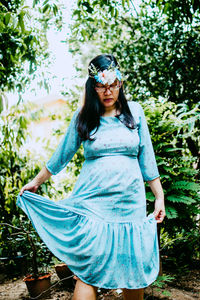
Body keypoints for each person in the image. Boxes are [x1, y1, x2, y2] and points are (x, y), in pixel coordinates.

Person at [18, 54, 165, 300]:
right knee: (89, 270)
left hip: (131, 205)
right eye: (101, 86)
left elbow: (147, 160)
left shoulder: (135, 113)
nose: (108, 91)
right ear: (92, 86)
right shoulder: (84, 116)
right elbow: (60, 156)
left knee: (133, 271)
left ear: (120, 83)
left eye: (113, 84)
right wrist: (36, 182)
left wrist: (159, 197)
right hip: (93, 205)